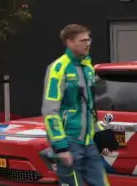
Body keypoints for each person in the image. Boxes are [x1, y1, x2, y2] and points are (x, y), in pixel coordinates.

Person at [42, 24, 109, 186]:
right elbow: (50, 110)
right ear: (69, 42)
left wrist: (100, 136)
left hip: (89, 143)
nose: (88, 43)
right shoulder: (58, 68)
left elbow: (90, 108)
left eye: (89, 39)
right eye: (83, 40)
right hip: (69, 142)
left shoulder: (88, 68)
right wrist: (61, 147)